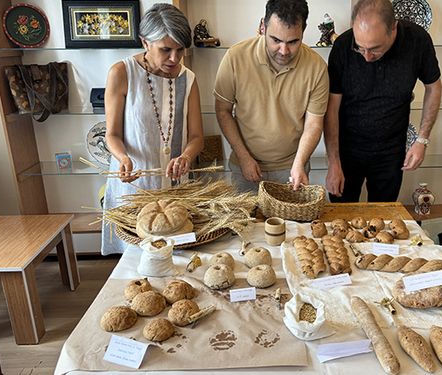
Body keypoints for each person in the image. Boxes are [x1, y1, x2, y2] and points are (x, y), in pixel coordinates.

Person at [102, 3, 204, 255]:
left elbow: (196, 137)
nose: (174, 58)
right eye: (165, 49)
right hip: (135, 183)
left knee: (175, 256)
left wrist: (186, 156)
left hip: (173, 187)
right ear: (145, 42)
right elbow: (111, 135)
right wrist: (123, 157)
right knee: (136, 257)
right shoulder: (122, 73)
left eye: (180, 50)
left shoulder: (188, 79)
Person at [324, 0, 442, 202]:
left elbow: (434, 87)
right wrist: (333, 162)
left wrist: (422, 139)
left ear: (393, 28)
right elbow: (332, 108)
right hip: (347, 150)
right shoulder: (343, 46)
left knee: (384, 218)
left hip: (391, 151)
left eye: (375, 48)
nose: (367, 57)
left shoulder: (417, 40)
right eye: (360, 48)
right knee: (339, 220)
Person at [214, 0, 329, 192]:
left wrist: (299, 163)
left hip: (292, 167)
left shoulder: (316, 67)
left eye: (293, 42)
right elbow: (223, 110)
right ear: (262, 27)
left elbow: (313, 123)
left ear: (303, 31)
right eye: (276, 40)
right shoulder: (235, 57)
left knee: (294, 223)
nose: (284, 51)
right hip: (245, 165)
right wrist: (243, 156)